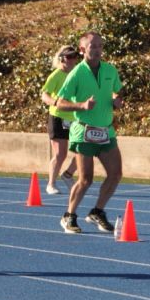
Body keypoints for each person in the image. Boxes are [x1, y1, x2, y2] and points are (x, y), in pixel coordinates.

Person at [52, 30, 124, 234]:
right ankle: (69, 216)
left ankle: (97, 212)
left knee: (116, 174)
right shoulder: (76, 73)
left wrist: (116, 99)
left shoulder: (110, 70)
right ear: (83, 50)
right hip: (84, 131)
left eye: (101, 46)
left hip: (106, 130)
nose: (98, 50)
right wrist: (82, 106)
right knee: (86, 179)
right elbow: (59, 103)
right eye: (93, 46)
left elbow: (116, 90)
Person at [40, 44, 80, 195]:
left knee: (84, 151)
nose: (72, 60)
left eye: (74, 57)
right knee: (60, 154)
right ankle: (51, 184)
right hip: (58, 117)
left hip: (75, 118)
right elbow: (45, 94)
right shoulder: (56, 75)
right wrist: (55, 102)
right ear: (62, 58)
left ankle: (68, 175)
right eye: (69, 57)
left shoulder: (77, 74)